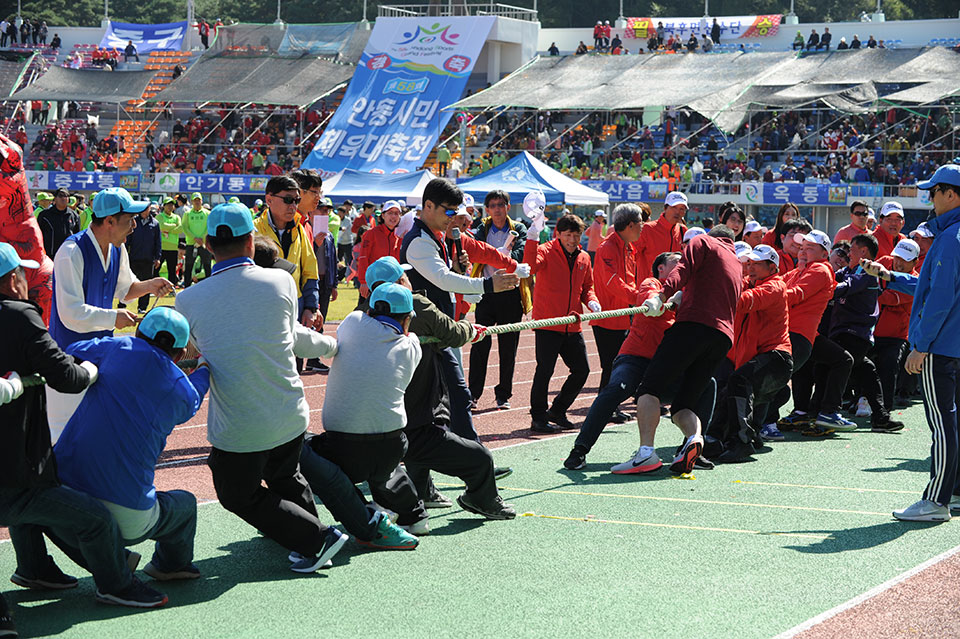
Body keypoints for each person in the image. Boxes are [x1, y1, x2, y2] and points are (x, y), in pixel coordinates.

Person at [175, 203, 347, 573]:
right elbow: (287, 333)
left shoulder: (188, 299)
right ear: (251, 242)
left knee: (236, 493)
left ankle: (317, 538)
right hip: (288, 410)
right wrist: (332, 347)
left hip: (239, 424)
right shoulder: (282, 281)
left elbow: (189, 350)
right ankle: (308, 533)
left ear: (206, 244)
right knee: (286, 474)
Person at [0, 242, 168, 610]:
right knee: (94, 519)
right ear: (13, 281)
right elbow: (66, 376)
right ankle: (117, 584)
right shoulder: (18, 315)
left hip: (16, 472)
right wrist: (89, 371)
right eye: (24, 274)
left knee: (32, 498)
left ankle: (33, 567)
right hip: (14, 465)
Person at [53, 308, 208, 583]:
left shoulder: (119, 346)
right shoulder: (181, 389)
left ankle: (34, 567)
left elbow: (74, 348)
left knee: (29, 494)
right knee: (185, 504)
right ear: (180, 353)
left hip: (65, 493)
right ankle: (169, 565)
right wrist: (204, 370)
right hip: (129, 514)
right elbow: (193, 397)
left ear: (138, 333)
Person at [363, 257, 517, 522]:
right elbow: (454, 334)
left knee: (417, 434)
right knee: (479, 457)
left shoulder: (363, 314)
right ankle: (482, 498)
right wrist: (470, 328)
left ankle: (423, 491)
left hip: (380, 422)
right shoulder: (415, 306)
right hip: (416, 413)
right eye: (405, 277)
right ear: (401, 281)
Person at [862, 165, 960, 521]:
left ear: (951, 194)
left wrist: (922, 344)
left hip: (941, 346)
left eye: (934, 192)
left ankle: (936, 501)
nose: (930, 198)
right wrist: (892, 276)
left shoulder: (950, 238)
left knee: (942, 423)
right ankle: (954, 491)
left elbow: (939, 297)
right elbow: (932, 286)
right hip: (954, 343)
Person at [47, 188, 173, 442]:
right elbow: (70, 313)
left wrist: (150, 285)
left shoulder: (118, 249)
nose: (134, 225)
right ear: (110, 221)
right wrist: (114, 317)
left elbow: (125, 290)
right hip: (67, 360)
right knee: (62, 435)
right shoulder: (71, 252)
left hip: (100, 356)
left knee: (93, 434)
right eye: (129, 219)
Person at [615, 226, 743, 475]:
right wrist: (678, 301)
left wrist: (662, 296)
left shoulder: (703, 242)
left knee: (648, 389)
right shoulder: (736, 261)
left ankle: (645, 454)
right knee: (683, 404)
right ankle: (694, 438)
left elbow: (682, 270)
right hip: (722, 337)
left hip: (692, 328)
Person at [400, 178, 519, 441]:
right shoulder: (420, 240)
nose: (454, 218)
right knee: (440, 398)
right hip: (427, 333)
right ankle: (468, 459)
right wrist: (488, 285)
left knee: (448, 398)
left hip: (439, 329)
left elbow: (445, 280)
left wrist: (458, 270)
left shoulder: (437, 237)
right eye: (449, 211)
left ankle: (469, 457)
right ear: (428, 206)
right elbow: (441, 279)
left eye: (458, 211)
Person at [705, 245, 793, 462]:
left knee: (739, 381)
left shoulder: (775, 286)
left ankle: (742, 443)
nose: (750, 267)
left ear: (772, 267)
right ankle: (714, 439)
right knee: (731, 390)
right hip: (767, 359)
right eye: (749, 263)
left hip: (777, 358)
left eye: (756, 264)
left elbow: (743, 301)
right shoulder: (751, 283)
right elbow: (733, 286)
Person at [523, 210, 600, 433]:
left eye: (577, 235)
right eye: (568, 235)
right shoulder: (546, 251)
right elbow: (529, 267)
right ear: (558, 234)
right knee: (544, 371)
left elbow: (588, 288)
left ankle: (557, 410)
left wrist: (592, 301)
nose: (573, 240)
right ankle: (538, 417)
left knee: (582, 370)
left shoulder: (584, 257)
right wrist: (532, 237)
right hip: (547, 323)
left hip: (572, 324)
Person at [763, 230, 836, 436]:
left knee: (775, 383)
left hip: (797, 336)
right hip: (785, 333)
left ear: (824, 253)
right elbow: (775, 285)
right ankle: (762, 423)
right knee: (771, 382)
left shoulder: (820, 269)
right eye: (802, 248)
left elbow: (792, 295)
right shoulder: (798, 271)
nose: (803, 252)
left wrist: (761, 296)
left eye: (810, 248)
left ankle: (766, 423)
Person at [467, 189, 529, 411]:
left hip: (511, 294)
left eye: (501, 205)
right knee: (479, 345)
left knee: (508, 347)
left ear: (508, 207)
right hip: (486, 292)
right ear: (487, 209)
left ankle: (503, 395)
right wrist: (497, 253)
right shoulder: (480, 228)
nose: (497, 209)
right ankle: (472, 394)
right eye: (492, 205)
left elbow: (521, 253)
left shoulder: (518, 228)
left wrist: (504, 256)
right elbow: (474, 251)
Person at [590, 204, 643, 421]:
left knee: (616, 365)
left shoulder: (627, 246)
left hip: (624, 314)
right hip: (609, 316)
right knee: (610, 365)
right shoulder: (608, 247)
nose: (642, 228)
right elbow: (613, 282)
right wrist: (638, 297)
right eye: (640, 223)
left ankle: (610, 407)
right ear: (630, 225)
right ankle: (606, 409)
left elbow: (627, 280)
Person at [254, 175, 320, 334]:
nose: (293, 206)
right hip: (262, 308)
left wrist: (311, 307)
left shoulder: (300, 230)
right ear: (269, 200)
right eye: (288, 200)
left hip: (296, 305)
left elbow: (310, 270)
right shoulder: (254, 230)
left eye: (296, 201)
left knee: (294, 357)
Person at [870, 238, 920, 413]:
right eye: (897, 257)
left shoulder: (916, 281)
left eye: (905, 260)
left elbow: (889, 298)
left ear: (915, 262)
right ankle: (859, 399)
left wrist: (869, 290)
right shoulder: (884, 262)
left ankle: (886, 409)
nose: (898, 263)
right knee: (860, 363)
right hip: (871, 332)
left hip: (896, 337)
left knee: (889, 366)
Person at [634, 191, 688, 286]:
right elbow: (630, 258)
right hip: (650, 288)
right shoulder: (647, 229)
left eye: (682, 209)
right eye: (674, 207)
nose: (677, 212)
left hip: (674, 288)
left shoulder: (683, 231)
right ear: (665, 208)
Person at [357, 200, 402, 299]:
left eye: (396, 213)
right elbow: (363, 257)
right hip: (372, 284)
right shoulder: (371, 234)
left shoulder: (399, 237)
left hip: (392, 284)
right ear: (383, 215)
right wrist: (363, 281)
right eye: (390, 213)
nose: (393, 216)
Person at [124, 203, 162, 313]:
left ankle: (142, 307)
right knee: (128, 282)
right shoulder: (134, 221)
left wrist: (157, 257)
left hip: (148, 258)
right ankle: (123, 303)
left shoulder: (155, 223)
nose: (145, 210)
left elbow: (157, 242)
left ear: (150, 209)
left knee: (146, 284)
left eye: (147, 208)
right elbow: (128, 240)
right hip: (134, 257)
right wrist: (124, 254)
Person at [36, 188, 79, 259]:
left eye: (66, 196)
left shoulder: (74, 216)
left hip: (67, 255)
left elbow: (77, 235)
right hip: (49, 255)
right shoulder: (44, 215)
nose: (63, 198)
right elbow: (38, 234)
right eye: (60, 196)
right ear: (55, 199)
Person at [180, 194, 211, 287]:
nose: (197, 202)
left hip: (204, 244)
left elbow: (209, 227)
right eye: (195, 200)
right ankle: (187, 288)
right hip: (191, 244)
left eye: (199, 200)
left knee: (207, 266)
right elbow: (185, 227)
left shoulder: (207, 213)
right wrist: (195, 238)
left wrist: (202, 238)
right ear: (192, 202)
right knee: (188, 266)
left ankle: (210, 287)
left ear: (201, 201)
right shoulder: (188, 213)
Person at [157, 197, 182, 286]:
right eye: (168, 205)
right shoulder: (159, 216)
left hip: (173, 247)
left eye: (172, 205)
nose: (170, 207)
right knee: (157, 268)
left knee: (172, 269)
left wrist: (168, 229)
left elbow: (180, 229)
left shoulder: (176, 217)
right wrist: (173, 226)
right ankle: (155, 286)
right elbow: (162, 225)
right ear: (164, 206)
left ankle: (171, 288)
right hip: (161, 247)